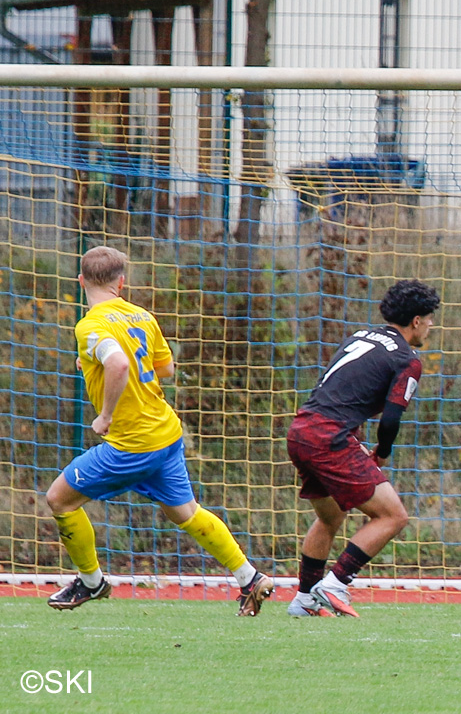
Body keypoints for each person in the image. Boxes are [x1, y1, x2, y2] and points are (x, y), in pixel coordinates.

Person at [46, 246, 273, 614]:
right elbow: (164, 368)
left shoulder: (90, 325)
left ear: (81, 281)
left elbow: (119, 364)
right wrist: (92, 362)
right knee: (186, 513)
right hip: (165, 434)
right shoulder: (142, 316)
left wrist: (105, 416)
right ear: (122, 282)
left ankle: (91, 582)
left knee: (59, 499)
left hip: (132, 443)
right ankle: (249, 576)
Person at [286, 279, 439, 618]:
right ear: (416, 321)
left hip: (301, 431)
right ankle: (335, 584)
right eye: (429, 318)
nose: (431, 325)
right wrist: (382, 452)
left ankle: (305, 599)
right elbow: (390, 421)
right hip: (329, 439)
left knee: (330, 517)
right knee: (393, 516)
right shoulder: (407, 359)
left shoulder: (360, 336)